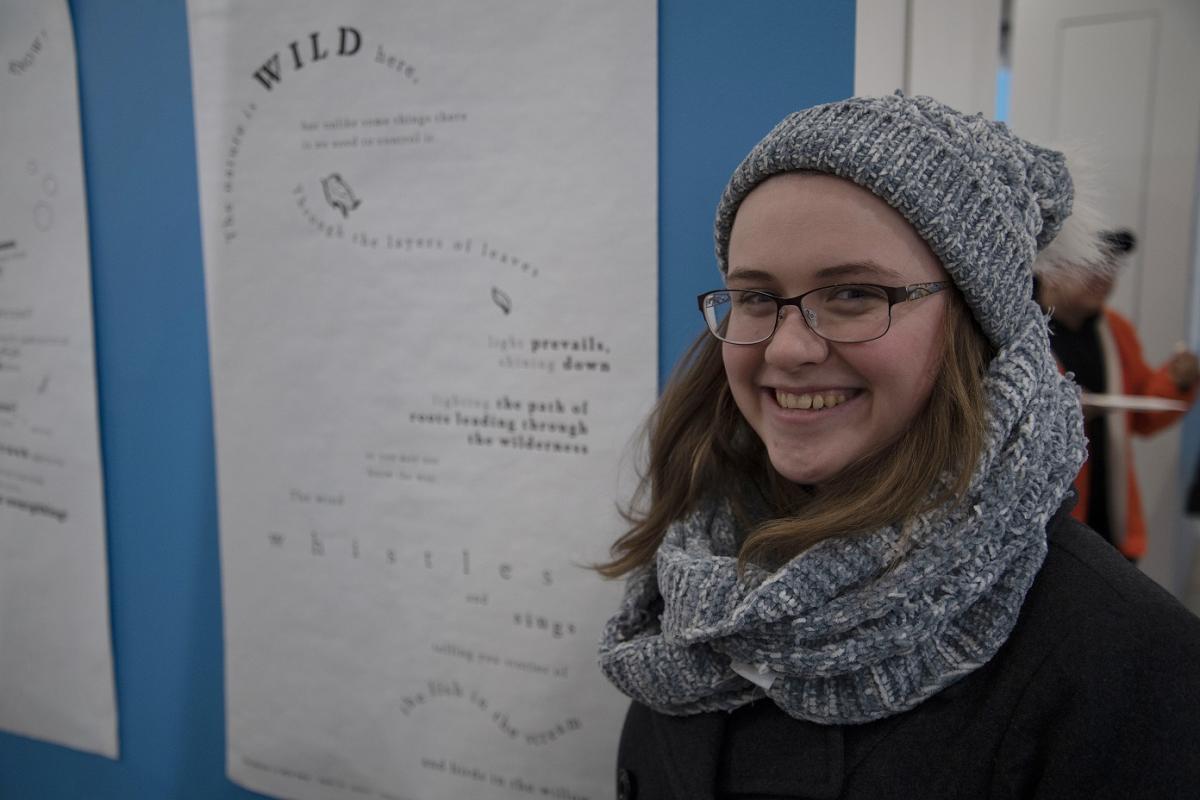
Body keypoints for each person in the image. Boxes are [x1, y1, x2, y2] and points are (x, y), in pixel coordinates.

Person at [596, 94, 1200, 799]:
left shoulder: (1121, 658)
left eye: (853, 293)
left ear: (977, 323)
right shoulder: (694, 575)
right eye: (756, 297)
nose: (787, 348)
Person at [1035, 229, 1198, 560]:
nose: (1104, 274)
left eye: (1112, 265)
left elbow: (1143, 416)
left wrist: (1177, 380)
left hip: (1108, 523)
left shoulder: (1115, 330)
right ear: (1050, 268)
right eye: (1092, 263)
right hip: (1045, 525)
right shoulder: (1024, 333)